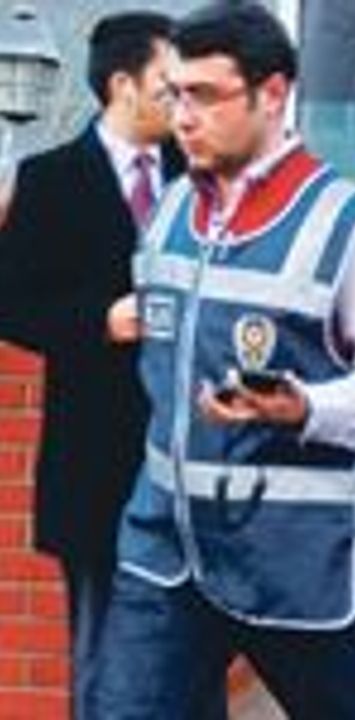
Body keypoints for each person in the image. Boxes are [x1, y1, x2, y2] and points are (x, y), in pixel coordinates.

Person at [88, 3, 355, 718]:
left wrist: (308, 406)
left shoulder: (347, 226)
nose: (183, 118)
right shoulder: (170, 210)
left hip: (299, 563)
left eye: (205, 96)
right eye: (175, 95)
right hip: (166, 551)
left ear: (272, 94)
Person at [0, 12, 182, 716]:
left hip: (188, 454)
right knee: (101, 651)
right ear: (122, 84)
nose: (183, 103)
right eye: (169, 86)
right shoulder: (50, 179)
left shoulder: (197, 175)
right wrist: (100, 322)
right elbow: (12, 306)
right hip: (94, 457)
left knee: (191, 656)